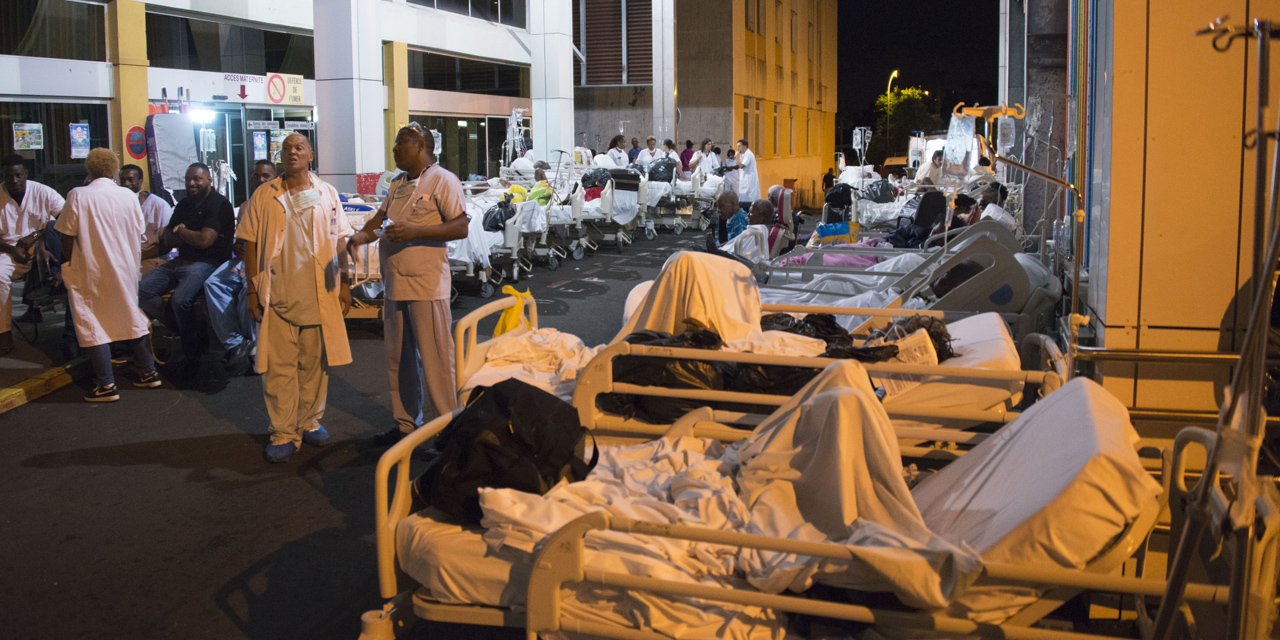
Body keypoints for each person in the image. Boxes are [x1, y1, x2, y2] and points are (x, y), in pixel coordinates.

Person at [349, 125, 469, 447]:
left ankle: (449, 431)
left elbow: (460, 227)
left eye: (401, 142)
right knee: (399, 361)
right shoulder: (397, 184)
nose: (395, 148)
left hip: (427, 286)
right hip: (395, 284)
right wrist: (360, 236)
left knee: (437, 363)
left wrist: (415, 232)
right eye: (395, 142)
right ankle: (406, 424)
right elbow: (379, 219)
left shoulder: (443, 180)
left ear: (421, 146)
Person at [238, 133, 354, 463]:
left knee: (315, 364)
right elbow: (250, 243)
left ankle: (310, 421)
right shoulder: (264, 195)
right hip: (277, 292)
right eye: (287, 148)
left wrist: (345, 284)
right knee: (279, 368)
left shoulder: (327, 193)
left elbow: (339, 240)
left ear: (310, 155)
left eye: (299, 147)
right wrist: (252, 290)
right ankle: (283, 431)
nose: (292, 152)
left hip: (318, 294)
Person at [55, 149, 160, 401]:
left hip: (91, 269)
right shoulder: (129, 197)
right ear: (114, 170)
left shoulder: (78, 195)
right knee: (129, 315)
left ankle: (105, 385)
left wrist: (68, 263)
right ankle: (149, 372)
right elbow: (139, 231)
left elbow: (66, 234)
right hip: (125, 268)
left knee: (92, 321)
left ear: (89, 170)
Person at [138, 163, 236, 377]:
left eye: (197, 179)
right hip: (181, 260)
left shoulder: (219, 204)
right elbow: (168, 238)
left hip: (208, 262)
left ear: (209, 179)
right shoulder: (183, 204)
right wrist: (186, 234)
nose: (191, 183)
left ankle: (192, 352)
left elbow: (204, 241)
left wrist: (181, 231)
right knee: (142, 291)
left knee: (180, 300)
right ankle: (188, 331)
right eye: (188, 179)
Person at [203, 159, 275, 374]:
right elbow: (240, 239)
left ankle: (254, 350)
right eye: (257, 176)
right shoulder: (246, 206)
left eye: (266, 176)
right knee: (213, 283)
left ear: (274, 178)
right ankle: (236, 342)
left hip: (267, 261)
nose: (260, 180)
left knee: (248, 289)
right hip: (243, 259)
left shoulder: (280, 205)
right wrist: (239, 248)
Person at [0, 154, 64, 353]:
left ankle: (42, 303)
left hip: (42, 245)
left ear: (26, 173)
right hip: (9, 250)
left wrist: (37, 236)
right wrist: (12, 249)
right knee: (0, 275)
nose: (14, 180)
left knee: (56, 258)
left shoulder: (43, 191)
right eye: (9, 176)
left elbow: (66, 219)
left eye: (18, 175)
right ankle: (4, 333)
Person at [118, 164, 173, 278]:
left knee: (129, 277)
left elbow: (166, 245)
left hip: (152, 258)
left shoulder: (159, 206)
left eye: (130, 180)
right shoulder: (117, 205)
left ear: (140, 181)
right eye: (122, 180)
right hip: (125, 258)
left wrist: (137, 257)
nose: (126, 184)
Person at [723, 139, 760, 203]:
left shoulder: (748, 154)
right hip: (745, 181)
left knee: (748, 200)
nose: (738, 148)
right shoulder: (744, 155)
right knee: (743, 199)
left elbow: (741, 165)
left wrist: (737, 156)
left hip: (749, 182)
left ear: (745, 146)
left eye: (739, 146)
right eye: (737, 146)